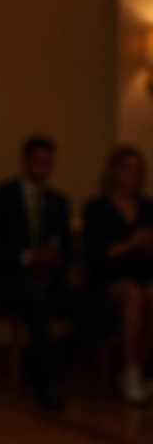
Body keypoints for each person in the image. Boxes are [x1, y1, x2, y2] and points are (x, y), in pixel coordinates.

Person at [0, 136, 95, 409]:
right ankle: (46, 384)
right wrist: (27, 258)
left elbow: (68, 249)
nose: (43, 168)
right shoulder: (1, 196)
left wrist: (55, 259)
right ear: (26, 161)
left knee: (102, 312)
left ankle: (44, 361)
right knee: (35, 301)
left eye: (48, 164)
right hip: (9, 282)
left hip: (49, 281)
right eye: (39, 162)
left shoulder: (57, 201)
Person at [83, 146, 153, 404]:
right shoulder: (98, 208)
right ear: (114, 171)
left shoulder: (147, 207)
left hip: (143, 273)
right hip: (109, 278)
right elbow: (95, 254)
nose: (132, 175)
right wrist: (130, 244)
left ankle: (142, 366)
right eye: (127, 168)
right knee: (132, 294)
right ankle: (130, 370)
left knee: (150, 294)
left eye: (138, 170)